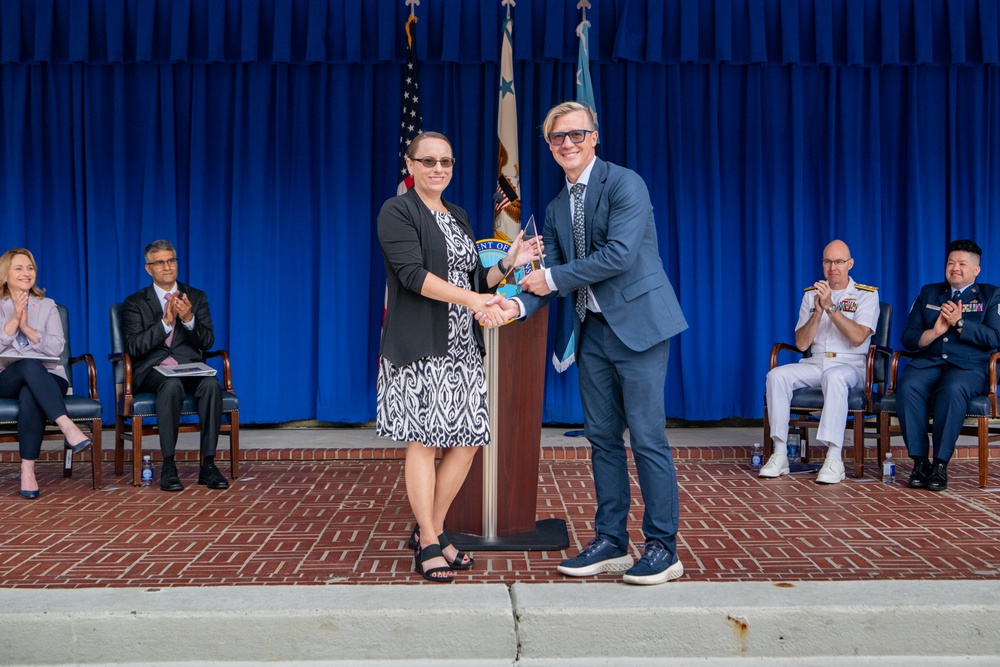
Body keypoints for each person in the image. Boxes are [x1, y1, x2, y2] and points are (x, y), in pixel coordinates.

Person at [498, 101, 688, 585]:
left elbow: (618, 256)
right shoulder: (559, 208)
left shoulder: (625, 183)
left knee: (647, 440)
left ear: (594, 136)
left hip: (640, 329)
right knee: (602, 440)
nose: (568, 144)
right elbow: (549, 283)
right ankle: (612, 542)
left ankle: (663, 548)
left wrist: (550, 278)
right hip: (595, 333)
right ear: (549, 146)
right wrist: (515, 306)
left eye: (576, 135)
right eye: (558, 138)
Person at [377, 131, 538, 583]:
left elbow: (479, 279)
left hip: (463, 348)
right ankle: (429, 539)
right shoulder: (397, 211)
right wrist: (473, 300)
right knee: (424, 443)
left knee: (467, 441)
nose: (438, 169)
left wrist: (510, 261)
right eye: (427, 161)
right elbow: (413, 276)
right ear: (409, 165)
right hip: (419, 349)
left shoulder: (459, 215)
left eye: (445, 161)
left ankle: (433, 526)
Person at [760, 240, 880, 484]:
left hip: (851, 366)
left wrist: (831, 307)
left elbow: (858, 338)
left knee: (833, 376)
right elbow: (802, 344)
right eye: (827, 261)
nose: (832, 267)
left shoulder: (867, 295)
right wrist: (817, 312)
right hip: (815, 363)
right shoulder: (810, 295)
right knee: (776, 376)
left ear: (850, 264)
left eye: (838, 262)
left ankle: (834, 457)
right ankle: (780, 452)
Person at [122, 240, 228, 492]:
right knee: (170, 386)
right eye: (160, 262)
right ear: (149, 269)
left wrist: (189, 319)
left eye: (171, 261)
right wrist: (166, 324)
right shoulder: (134, 303)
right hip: (153, 371)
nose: (167, 266)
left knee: (212, 384)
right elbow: (135, 348)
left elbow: (208, 341)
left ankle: (208, 464)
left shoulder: (196, 297)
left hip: (189, 367)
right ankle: (169, 465)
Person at [896, 239, 1000, 491]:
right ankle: (920, 462)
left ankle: (940, 465)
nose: (955, 268)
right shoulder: (929, 292)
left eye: (962, 264)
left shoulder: (991, 295)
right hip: (930, 362)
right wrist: (933, 332)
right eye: (951, 262)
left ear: (976, 270)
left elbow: (995, 339)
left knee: (952, 390)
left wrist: (961, 323)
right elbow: (908, 337)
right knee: (908, 385)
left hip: (968, 368)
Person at [0, 248, 93, 498]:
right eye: (19, 268)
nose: (26, 273)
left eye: (30, 268)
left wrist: (28, 329)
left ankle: (27, 471)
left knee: (31, 390)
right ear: (5, 274)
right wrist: (14, 321)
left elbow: (56, 347)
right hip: (5, 378)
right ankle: (68, 426)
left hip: (50, 376)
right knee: (29, 365)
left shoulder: (47, 305)